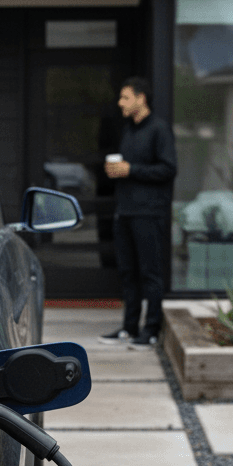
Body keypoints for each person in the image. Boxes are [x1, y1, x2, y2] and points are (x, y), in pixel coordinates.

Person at [99, 77, 177, 347]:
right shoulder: (128, 131)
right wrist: (119, 171)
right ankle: (129, 328)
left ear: (141, 99)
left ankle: (151, 329)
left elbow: (168, 169)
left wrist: (130, 169)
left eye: (125, 97)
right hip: (126, 211)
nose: (120, 103)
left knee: (149, 273)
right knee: (128, 272)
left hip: (149, 213)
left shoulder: (159, 129)